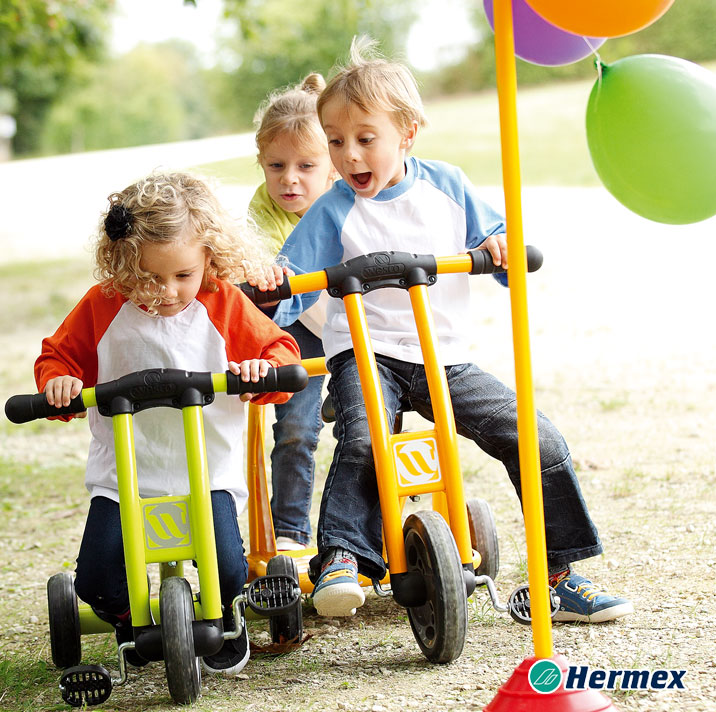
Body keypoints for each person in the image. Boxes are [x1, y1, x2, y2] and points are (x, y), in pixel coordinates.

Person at [275, 38, 632, 624]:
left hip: (444, 357)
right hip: (366, 354)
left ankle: (559, 575)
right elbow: (292, 282)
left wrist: (498, 247)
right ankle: (342, 556)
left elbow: (500, 247)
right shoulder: (334, 208)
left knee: (535, 438)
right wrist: (277, 280)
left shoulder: (448, 187)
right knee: (365, 438)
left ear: (407, 134)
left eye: (366, 139)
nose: (348, 156)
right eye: (336, 142)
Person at [35, 172, 301, 676]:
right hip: (124, 479)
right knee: (94, 580)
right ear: (122, 263)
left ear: (208, 258)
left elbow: (278, 355)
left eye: (183, 275)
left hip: (209, 475)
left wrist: (258, 371)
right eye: (150, 277)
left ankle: (225, 618)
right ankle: (127, 620)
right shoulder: (104, 306)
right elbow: (58, 357)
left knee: (227, 569)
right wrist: (60, 384)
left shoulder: (221, 301)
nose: (168, 291)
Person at [249, 73, 341, 552]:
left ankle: (360, 531)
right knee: (296, 430)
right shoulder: (262, 211)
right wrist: (260, 269)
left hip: (351, 323)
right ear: (262, 164)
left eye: (306, 166)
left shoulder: (348, 196)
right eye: (276, 165)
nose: (289, 179)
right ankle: (290, 533)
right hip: (298, 327)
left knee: (369, 423)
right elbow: (254, 255)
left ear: (332, 165)